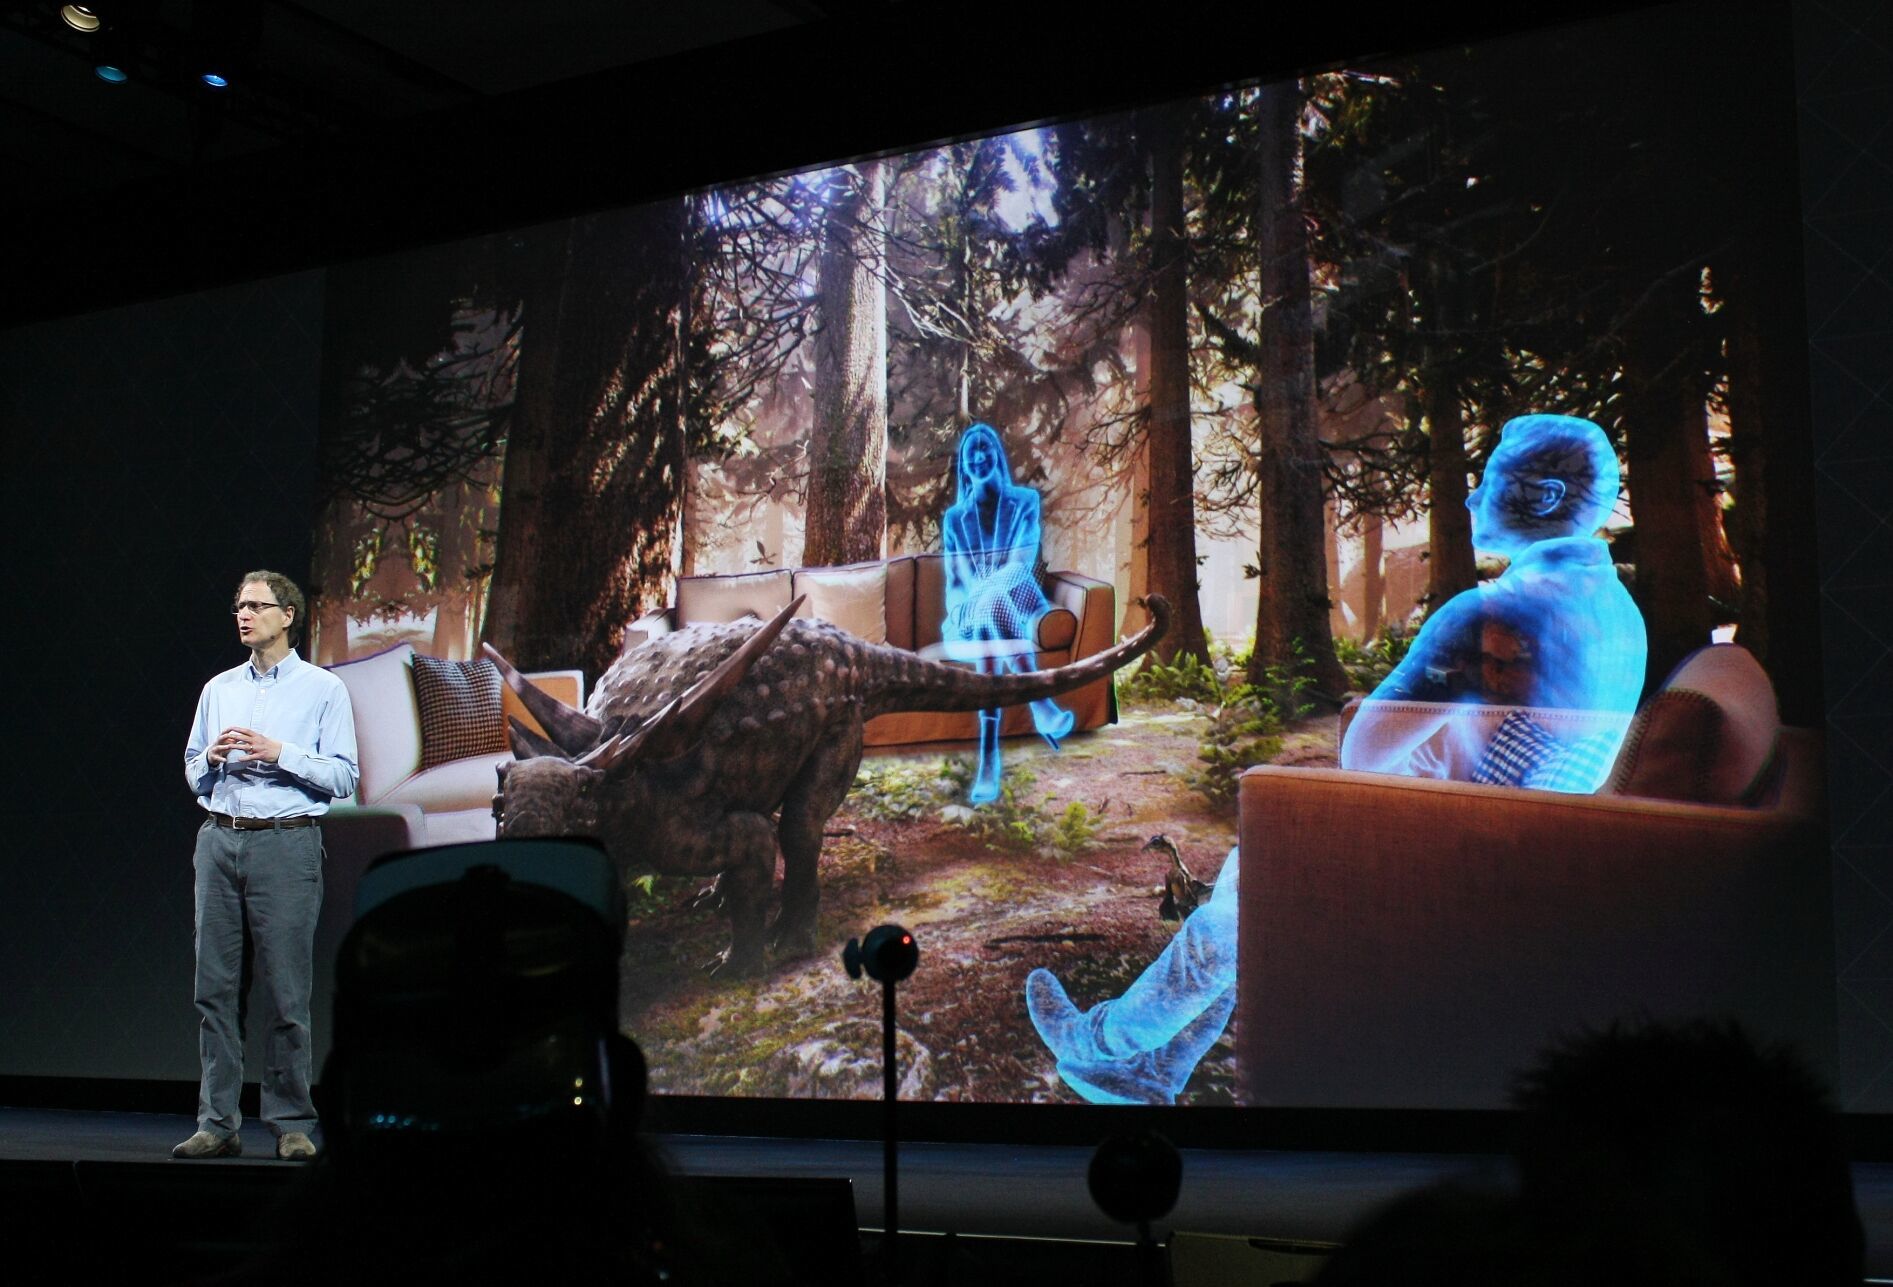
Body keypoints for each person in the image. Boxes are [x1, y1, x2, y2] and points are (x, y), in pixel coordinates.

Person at [1026, 413, 1647, 1104]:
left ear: (1544, 497)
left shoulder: (1492, 615)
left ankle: (1107, 1045)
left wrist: (1382, 718)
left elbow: (1365, 751)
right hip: (1515, 865)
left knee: (1248, 890)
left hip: (1443, 868)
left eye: (1489, 480)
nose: (1471, 498)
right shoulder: (1621, 615)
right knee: (1246, 876)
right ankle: (1149, 1063)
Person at [173, 571, 358, 1160]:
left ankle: (291, 1122)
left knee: (285, 991)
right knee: (215, 990)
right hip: (219, 840)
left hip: (286, 843)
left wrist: (282, 754)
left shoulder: (322, 689)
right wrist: (212, 756)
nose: (244, 615)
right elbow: (191, 770)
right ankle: (216, 1122)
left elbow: (344, 777)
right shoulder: (218, 689)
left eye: (256, 605)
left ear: (288, 615)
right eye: (239, 606)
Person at [940, 422, 1075, 803]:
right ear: (964, 465)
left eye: (985, 446)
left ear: (996, 454)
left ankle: (988, 756)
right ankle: (1041, 704)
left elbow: (1020, 563)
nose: (978, 455)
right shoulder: (955, 518)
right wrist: (972, 602)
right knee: (988, 607)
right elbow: (956, 581)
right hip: (965, 616)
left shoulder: (1025, 502)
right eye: (970, 451)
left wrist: (985, 596)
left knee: (997, 599)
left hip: (1012, 601)